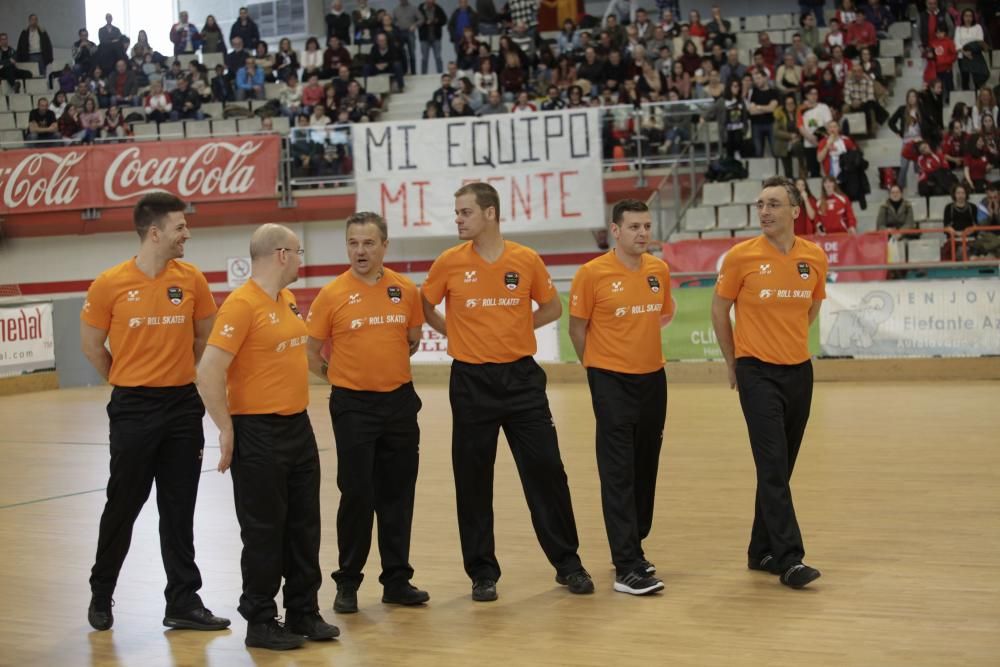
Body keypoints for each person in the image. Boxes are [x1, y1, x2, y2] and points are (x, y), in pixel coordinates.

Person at [420, 182, 593, 602]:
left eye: (465, 212)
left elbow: (552, 307)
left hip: (522, 382)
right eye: (457, 213)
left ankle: (568, 563)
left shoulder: (526, 259)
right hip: (471, 383)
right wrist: (452, 331)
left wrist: (517, 327)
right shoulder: (449, 262)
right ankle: (482, 572)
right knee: (473, 479)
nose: (458, 219)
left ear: (490, 213)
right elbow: (424, 304)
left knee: (547, 471)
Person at [80, 193, 230, 634]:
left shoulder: (193, 279)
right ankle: (102, 591)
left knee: (179, 510)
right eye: (180, 227)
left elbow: (205, 339)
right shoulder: (109, 284)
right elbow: (91, 347)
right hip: (133, 409)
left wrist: (185, 378)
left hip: (183, 407)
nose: (187, 234)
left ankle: (183, 601)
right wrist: (128, 380)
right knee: (123, 505)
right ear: (155, 232)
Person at [197, 224, 338, 651]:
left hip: (298, 427)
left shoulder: (288, 299)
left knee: (303, 527)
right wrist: (226, 428)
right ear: (280, 254)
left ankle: (303, 611)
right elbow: (208, 372)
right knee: (264, 531)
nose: (301, 259)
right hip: (259, 432)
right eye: (298, 252)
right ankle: (260, 620)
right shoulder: (240, 306)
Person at [304, 212, 430, 614]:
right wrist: (338, 376)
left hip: (399, 404)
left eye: (368, 243)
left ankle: (397, 581)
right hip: (353, 407)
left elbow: (411, 339)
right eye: (353, 243)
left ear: (384, 246)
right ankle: (348, 583)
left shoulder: (405, 290)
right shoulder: (331, 294)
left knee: (398, 495)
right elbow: (310, 352)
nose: (360, 251)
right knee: (357, 495)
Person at [710, 175, 828, 590]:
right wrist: (732, 361)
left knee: (781, 467)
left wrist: (789, 338)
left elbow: (811, 307)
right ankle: (789, 559)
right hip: (756, 371)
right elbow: (719, 309)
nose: (764, 211)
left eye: (774, 204)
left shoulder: (813, 257)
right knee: (773, 464)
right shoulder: (740, 257)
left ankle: (759, 550)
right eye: (760, 204)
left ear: (796, 211)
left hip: (799, 372)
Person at [568, 199, 672, 596]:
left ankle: (635, 547)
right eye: (633, 227)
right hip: (610, 381)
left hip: (653, 380)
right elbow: (577, 329)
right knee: (617, 472)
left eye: (646, 226)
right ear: (615, 231)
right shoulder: (591, 274)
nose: (642, 233)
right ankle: (626, 565)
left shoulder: (659, 271)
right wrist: (596, 369)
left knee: (645, 468)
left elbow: (661, 314)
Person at [797, 86, 832, 177]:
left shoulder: (824, 107)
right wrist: (811, 138)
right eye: (811, 94)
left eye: (815, 93)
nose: (814, 96)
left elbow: (828, 124)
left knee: (825, 171)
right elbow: (800, 127)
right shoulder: (801, 109)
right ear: (806, 96)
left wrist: (818, 138)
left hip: (823, 143)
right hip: (809, 144)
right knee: (813, 172)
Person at [749, 70, 779, 158]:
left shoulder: (773, 92)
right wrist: (766, 108)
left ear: (765, 78)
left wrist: (758, 107)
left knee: (775, 150)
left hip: (771, 124)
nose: (757, 81)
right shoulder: (754, 92)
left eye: (758, 78)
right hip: (757, 125)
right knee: (758, 152)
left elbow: (772, 108)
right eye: (755, 79)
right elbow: (752, 111)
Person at [418, 0, 447, 74]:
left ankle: (440, 74)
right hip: (424, 38)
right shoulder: (420, 8)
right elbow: (416, 20)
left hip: (436, 37)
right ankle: (423, 74)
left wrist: (437, 21)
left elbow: (444, 20)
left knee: (438, 57)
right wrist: (425, 22)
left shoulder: (438, 8)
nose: (430, 2)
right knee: (424, 58)